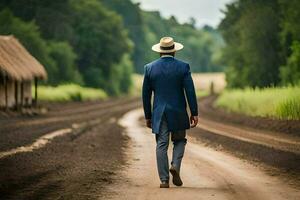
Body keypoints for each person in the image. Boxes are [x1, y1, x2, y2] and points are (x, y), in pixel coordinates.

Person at [142, 37, 199, 188]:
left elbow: (146, 96)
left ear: (160, 52)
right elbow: (190, 91)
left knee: (161, 144)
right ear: (174, 51)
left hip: (160, 113)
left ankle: (164, 180)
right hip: (179, 111)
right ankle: (175, 165)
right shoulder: (183, 67)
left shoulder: (149, 68)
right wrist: (194, 112)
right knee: (180, 140)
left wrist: (148, 116)